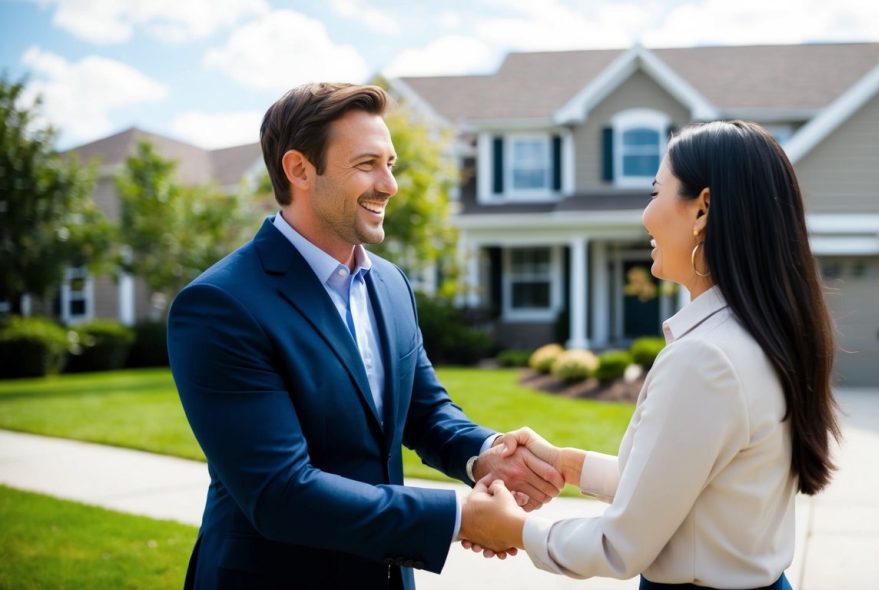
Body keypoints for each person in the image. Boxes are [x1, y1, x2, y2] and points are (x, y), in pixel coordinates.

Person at [167, 82, 563, 590]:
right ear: (299, 169)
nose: (390, 184)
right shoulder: (221, 305)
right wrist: (460, 518)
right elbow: (281, 491)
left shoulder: (391, 284)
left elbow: (427, 412)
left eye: (391, 163)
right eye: (366, 164)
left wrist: (487, 453)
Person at [458, 120, 841, 590]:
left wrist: (513, 528)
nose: (645, 214)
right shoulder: (756, 336)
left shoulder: (705, 358)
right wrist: (566, 463)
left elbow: (622, 543)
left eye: (656, 192)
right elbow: (677, 487)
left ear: (702, 209)